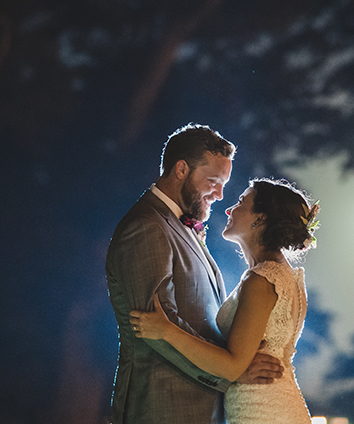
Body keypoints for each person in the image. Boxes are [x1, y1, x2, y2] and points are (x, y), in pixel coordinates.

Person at [105, 124, 283, 424]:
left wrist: (235, 357)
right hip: (163, 406)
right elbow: (156, 329)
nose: (220, 194)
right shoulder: (147, 226)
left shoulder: (179, 226)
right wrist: (232, 373)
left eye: (224, 184)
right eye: (213, 181)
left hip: (201, 408)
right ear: (181, 169)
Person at [130, 178, 319, 423]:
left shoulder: (262, 280)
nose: (230, 209)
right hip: (277, 404)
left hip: (261, 411)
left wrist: (166, 330)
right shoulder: (286, 275)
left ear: (259, 218)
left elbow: (231, 367)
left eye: (241, 202)